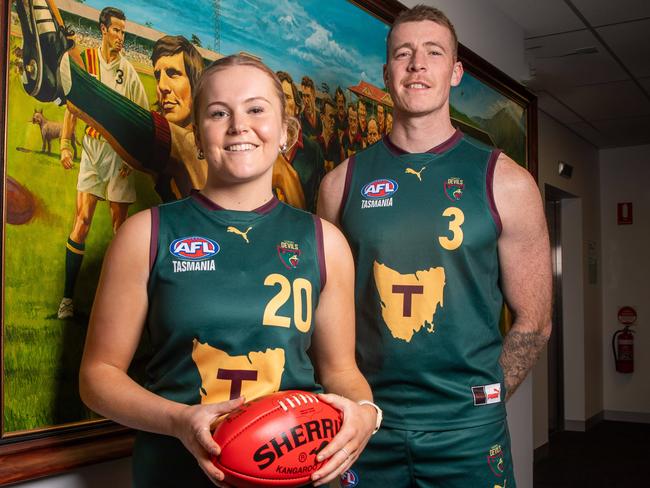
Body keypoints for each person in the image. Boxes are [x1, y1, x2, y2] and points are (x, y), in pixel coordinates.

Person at [79, 54, 380, 488]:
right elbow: (97, 376)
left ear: (285, 132)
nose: (239, 126)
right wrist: (180, 420)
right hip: (174, 473)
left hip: (298, 473)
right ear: (199, 135)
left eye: (257, 109)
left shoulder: (325, 242)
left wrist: (364, 414)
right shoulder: (145, 233)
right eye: (219, 113)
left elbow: (340, 371)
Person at [318, 5, 551, 487]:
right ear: (386, 74)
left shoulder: (507, 182)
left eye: (433, 52)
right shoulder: (340, 184)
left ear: (456, 71)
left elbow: (536, 320)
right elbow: (325, 313)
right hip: (364, 426)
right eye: (403, 54)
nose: (417, 64)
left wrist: (482, 399)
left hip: (467, 434)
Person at [14, 0, 206, 202]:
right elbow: (146, 138)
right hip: (96, 148)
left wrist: (72, 82)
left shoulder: (203, 144)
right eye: (158, 76)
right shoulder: (159, 150)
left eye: (174, 74)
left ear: (197, 84)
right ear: (103, 30)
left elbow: (171, 141)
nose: (162, 86)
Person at [57, 6, 149, 319]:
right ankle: (67, 300)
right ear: (103, 29)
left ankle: (119, 309)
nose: (121, 37)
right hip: (93, 152)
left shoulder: (130, 73)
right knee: (81, 221)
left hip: (118, 157)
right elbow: (72, 107)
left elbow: (144, 120)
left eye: (124, 32)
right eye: (117, 30)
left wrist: (132, 161)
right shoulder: (88, 62)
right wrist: (66, 144)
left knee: (120, 232)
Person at [273, 70, 325, 211]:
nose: (281, 103)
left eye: (287, 97)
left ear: (297, 108)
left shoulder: (313, 151)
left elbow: (319, 202)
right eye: (276, 97)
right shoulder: (259, 150)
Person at [317, 98, 344, 172]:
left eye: (335, 117)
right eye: (331, 116)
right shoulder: (315, 143)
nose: (333, 121)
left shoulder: (337, 146)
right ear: (322, 117)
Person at [300, 76, 322, 141]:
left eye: (308, 96)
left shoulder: (319, 116)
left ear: (314, 96)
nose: (306, 100)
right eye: (303, 96)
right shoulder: (301, 118)